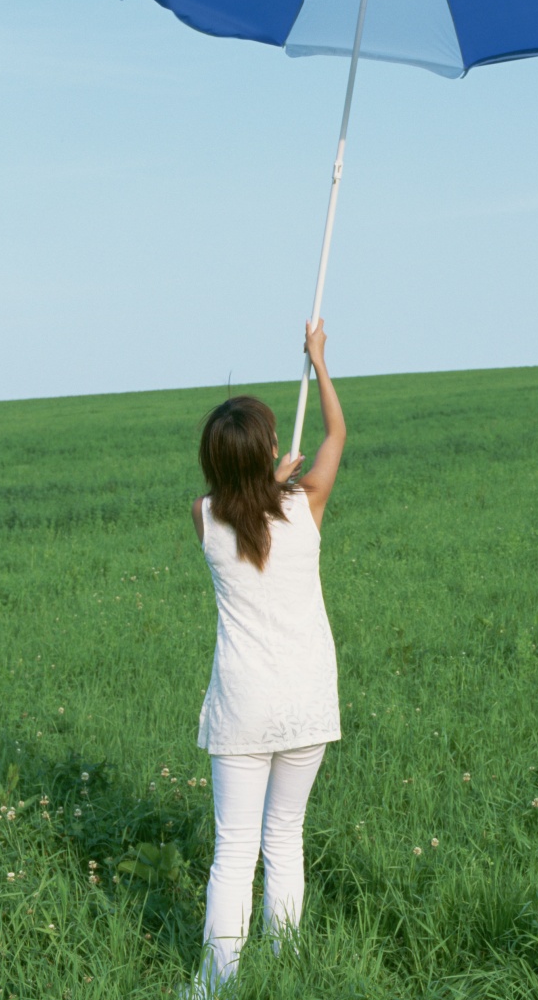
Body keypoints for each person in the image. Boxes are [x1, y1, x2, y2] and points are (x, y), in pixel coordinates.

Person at [186, 318, 346, 996]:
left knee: (233, 848)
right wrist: (319, 361)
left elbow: (239, 501)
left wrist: (265, 475)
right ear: (270, 454)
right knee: (286, 838)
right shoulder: (305, 505)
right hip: (307, 696)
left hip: (243, 705)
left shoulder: (204, 514)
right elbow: (336, 437)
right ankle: (286, 969)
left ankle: (215, 983)